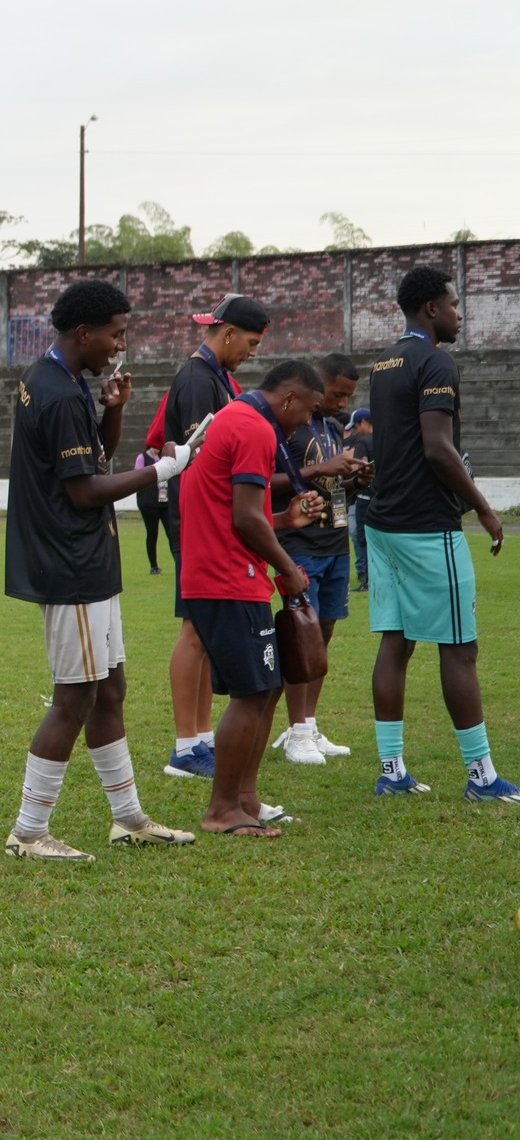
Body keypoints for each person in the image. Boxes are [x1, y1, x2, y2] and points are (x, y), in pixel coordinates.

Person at [2, 279, 197, 862]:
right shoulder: (58, 394)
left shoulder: (62, 382)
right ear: (83, 333)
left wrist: (113, 412)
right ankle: (29, 831)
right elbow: (87, 491)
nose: (120, 345)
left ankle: (128, 817)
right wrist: (164, 470)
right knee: (75, 698)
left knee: (109, 689)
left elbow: (98, 459)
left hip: (89, 560)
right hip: (72, 564)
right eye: (115, 335)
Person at [365, 266, 515, 802]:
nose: (459, 314)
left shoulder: (384, 363)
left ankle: (392, 770)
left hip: (382, 523)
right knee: (460, 649)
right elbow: (437, 447)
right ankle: (482, 778)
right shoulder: (436, 361)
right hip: (427, 526)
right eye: (454, 304)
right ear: (430, 308)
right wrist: (483, 508)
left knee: (397, 640)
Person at [180, 360, 328, 838]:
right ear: (289, 399)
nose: (309, 421)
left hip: (223, 573)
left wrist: (283, 521)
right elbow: (245, 520)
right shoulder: (255, 429)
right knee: (250, 694)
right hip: (227, 579)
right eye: (309, 410)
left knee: (264, 688)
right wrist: (288, 568)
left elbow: (241, 513)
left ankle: (245, 799)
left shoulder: (235, 419)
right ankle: (222, 810)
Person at [161, 294, 267, 782]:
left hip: (210, 524)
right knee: (193, 630)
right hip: (198, 523)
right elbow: (200, 460)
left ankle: (202, 738)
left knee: (203, 632)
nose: (252, 352)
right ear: (227, 334)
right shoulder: (199, 380)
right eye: (250, 342)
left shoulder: (217, 377)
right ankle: (186, 747)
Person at [271, 353, 368, 766]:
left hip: (333, 544)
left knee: (323, 635)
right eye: (337, 394)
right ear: (317, 385)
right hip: (299, 544)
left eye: (349, 396)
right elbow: (267, 481)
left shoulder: (331, 427)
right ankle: (296, 733)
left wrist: (351, 478)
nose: (343, 403)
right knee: (300, 636)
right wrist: (323, 468)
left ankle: (309, 725)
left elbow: (333, 484)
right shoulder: (287, 426)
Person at [345, 407, 375, 591]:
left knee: (363, 539)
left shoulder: (364, 442)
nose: (357, 430)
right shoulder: (388, 438)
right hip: (383, 496)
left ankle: (366, 579)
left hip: (365, 496)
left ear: (364, 423)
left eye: (357, 426)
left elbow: (356, 468)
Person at [132, 447, 172, 575]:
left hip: (165, 501)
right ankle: (154, 566)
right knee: (152, 533)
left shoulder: (165, 456)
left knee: (172, 533)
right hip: (149, 503)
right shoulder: (143, 457)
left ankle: (180, 563)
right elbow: (137, 478)